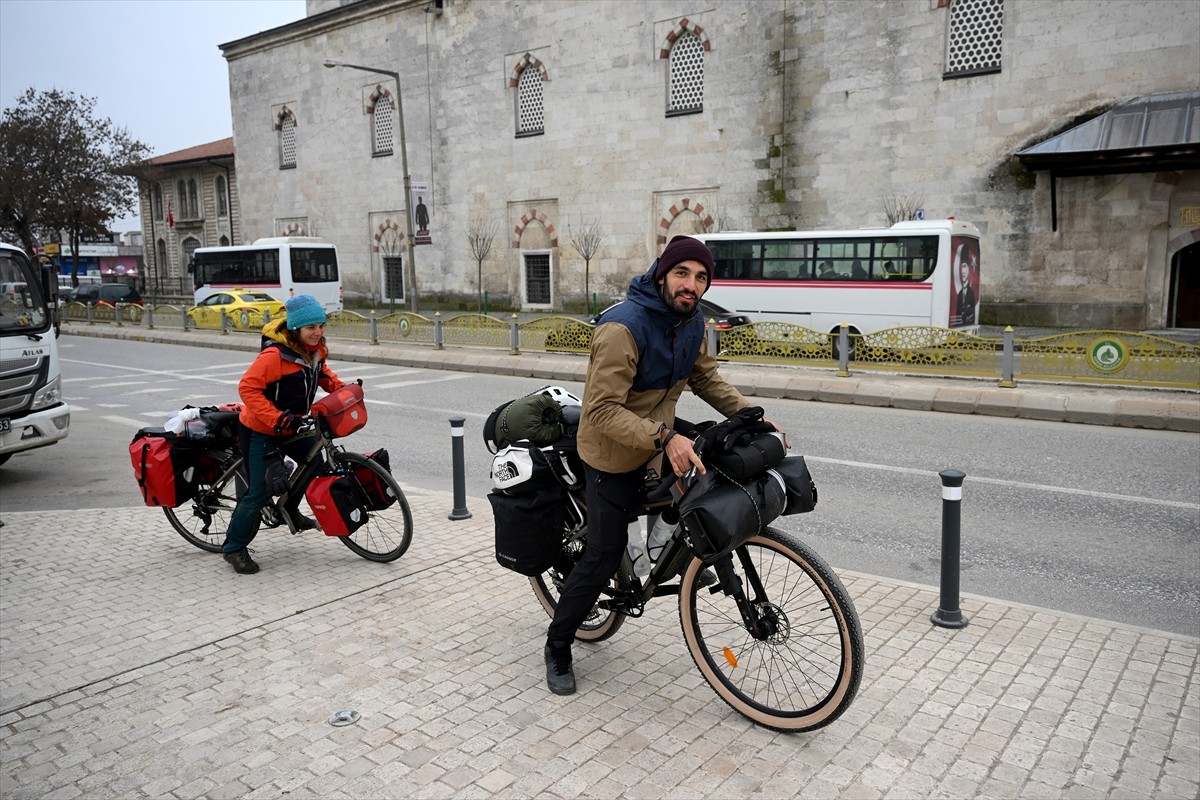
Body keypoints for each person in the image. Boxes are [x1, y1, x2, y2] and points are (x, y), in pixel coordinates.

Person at [543, 235, 784, 695]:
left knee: (700, 490)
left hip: (658, 439)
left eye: (700, 277)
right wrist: (665, 437)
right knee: (602, 554)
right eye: (682, 274)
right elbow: (601, 412)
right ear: (662, 274)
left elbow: (706, 378)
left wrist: (751, 415)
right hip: (612, 452)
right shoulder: (622, 328)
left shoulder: (691, 321)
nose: (691, 285)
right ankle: (557, 644)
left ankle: (672, 562)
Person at [220, 294, 346, 574]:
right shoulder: (274, 356)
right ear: (296, 329)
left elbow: (320, 373)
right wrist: (276, 419)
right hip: (261, 430)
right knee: (258, 492)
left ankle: (289, 509)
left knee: (315, 460)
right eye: (311, 327)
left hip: (293, 425)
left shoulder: (315, 349)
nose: (318, 332)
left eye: (321, 325)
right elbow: (247, 389)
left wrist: (341, 388)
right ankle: (233, 549)